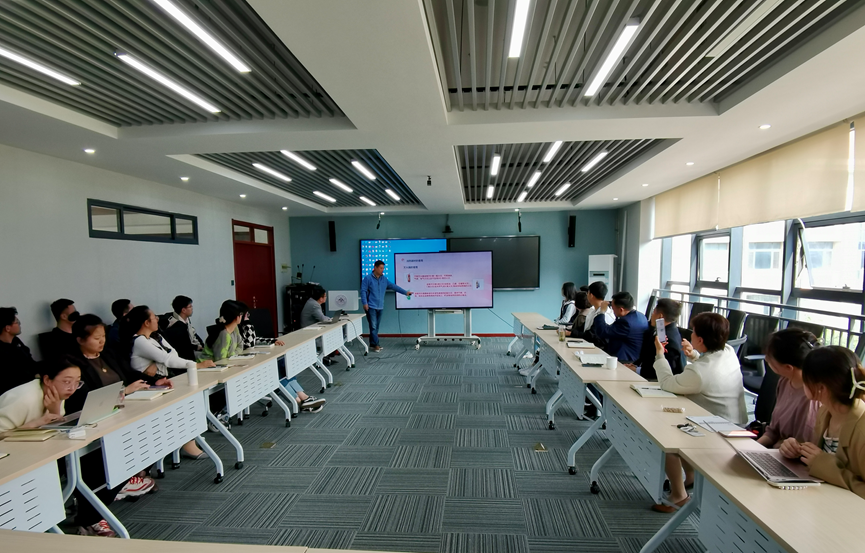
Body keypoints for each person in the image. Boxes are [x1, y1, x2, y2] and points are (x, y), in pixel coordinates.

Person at [0, 357, 155, 537]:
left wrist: (54, 411)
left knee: (109, 461)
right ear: (47, 379)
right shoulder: (23, 398)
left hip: (40, 450)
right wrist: (34, 424)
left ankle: (91, 516)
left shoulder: (53, 393)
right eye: (67, 382)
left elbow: (52, 425)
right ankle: (88, 518)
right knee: (93, 468)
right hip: (13, 461)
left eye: (77, 382)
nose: (72, 388)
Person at [651, 312, 747, 513]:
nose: (690, 335)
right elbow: (708, 366)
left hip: (716, 430)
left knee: (665, 437)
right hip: (735, 423)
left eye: (693, 332)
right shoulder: (728, 351)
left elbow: (667, 383)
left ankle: (678, 495)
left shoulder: (699, 373)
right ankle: (691, 475)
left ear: (701, 340)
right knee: (680, 424)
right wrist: (694, 355)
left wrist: (660, 354)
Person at [125, 306, 214, 459]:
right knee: (183, 404)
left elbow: (172, 353)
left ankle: (189, 440)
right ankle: (187, 443)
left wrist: (157, 361)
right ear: (146, 323)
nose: (157, 319)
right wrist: (196, 365)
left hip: (161, 381)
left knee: (187, 400)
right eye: (154, 317)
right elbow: (168, 359)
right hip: (147, 387)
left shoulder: (155, 337)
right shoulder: (139, 341)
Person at [780, 346, 865, 499]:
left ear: (821, 388)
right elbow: (820, 459)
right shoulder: (825, 412)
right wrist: (798, 450)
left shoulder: (862, 431)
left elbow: (824, 463)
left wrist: (824, 465)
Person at [234, 302, 325, 413]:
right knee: (274, 370)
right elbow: (249, 344)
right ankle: (299, 401)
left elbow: (254, 340)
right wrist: (248, 324)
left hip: (251, 359)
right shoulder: (232, 331)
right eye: (246, 315)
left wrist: (273, 340)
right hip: (243, 365)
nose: (248, 317)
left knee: (282, 363)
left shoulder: (239, 328)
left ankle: (303, 397)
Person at [66, 314, 161, 414]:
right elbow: (86, 397)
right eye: (97, 338)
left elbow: (130, 373)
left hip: (126, 404)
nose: (102, 341)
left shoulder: (109, 354)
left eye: (103, 336)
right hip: (100, 412)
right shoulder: (73, 365)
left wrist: (156, 382)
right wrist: (124, 391)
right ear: (80, 340)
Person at [756, 329, 821, 448]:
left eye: (770, 358)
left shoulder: (810, 397)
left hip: (790, 456)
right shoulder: (785, 381)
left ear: (788, 367)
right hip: (775, 450)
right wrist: (752, 448)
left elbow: (801, 447)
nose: (766, 359)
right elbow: (772, 432)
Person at [361, 260, 412, 352]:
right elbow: (363, 291)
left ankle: (372, 344)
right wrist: (365, 303)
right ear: (375, 267)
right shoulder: (367, 278)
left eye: (383, 268)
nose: (382, 270)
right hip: (371, 306)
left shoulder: (384, 279)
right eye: (381, 268)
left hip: (380, 306)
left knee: (375, 327)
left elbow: (394, 286)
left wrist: (405, 292)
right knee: (373, 326)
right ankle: (376, 345)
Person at [632, 299, 685, 381]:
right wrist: (634, 365)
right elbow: (646, 356)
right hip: (645, 373)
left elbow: (665, 371)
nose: (651, 316)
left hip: (657, 381)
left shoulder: (668, 340)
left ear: (660, 316)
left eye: (653, 312)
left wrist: (637, 370)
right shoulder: (661, 330)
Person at [591, 291, 649, 363]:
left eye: (613, 308)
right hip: (635, 358)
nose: (612, 311)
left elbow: (602, 332)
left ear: (621, 309)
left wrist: (601, 312)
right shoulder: (641, 316)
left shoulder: (626, 323)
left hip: (624, 360)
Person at [0, 307, 38, 396]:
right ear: (7, 328)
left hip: (31, 383)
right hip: (15, 391)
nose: (19, 324)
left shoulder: (16, 341)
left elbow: (30, 361)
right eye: (17, 322)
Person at [161, 295, 204, 362]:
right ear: (183, 310)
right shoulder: (175, 325)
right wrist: (197, 347)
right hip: (184, 356)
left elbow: (193, 335)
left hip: (192, 350)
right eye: (190, 306)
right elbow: (184, 346)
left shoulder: (185, 320)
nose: (192, 308)